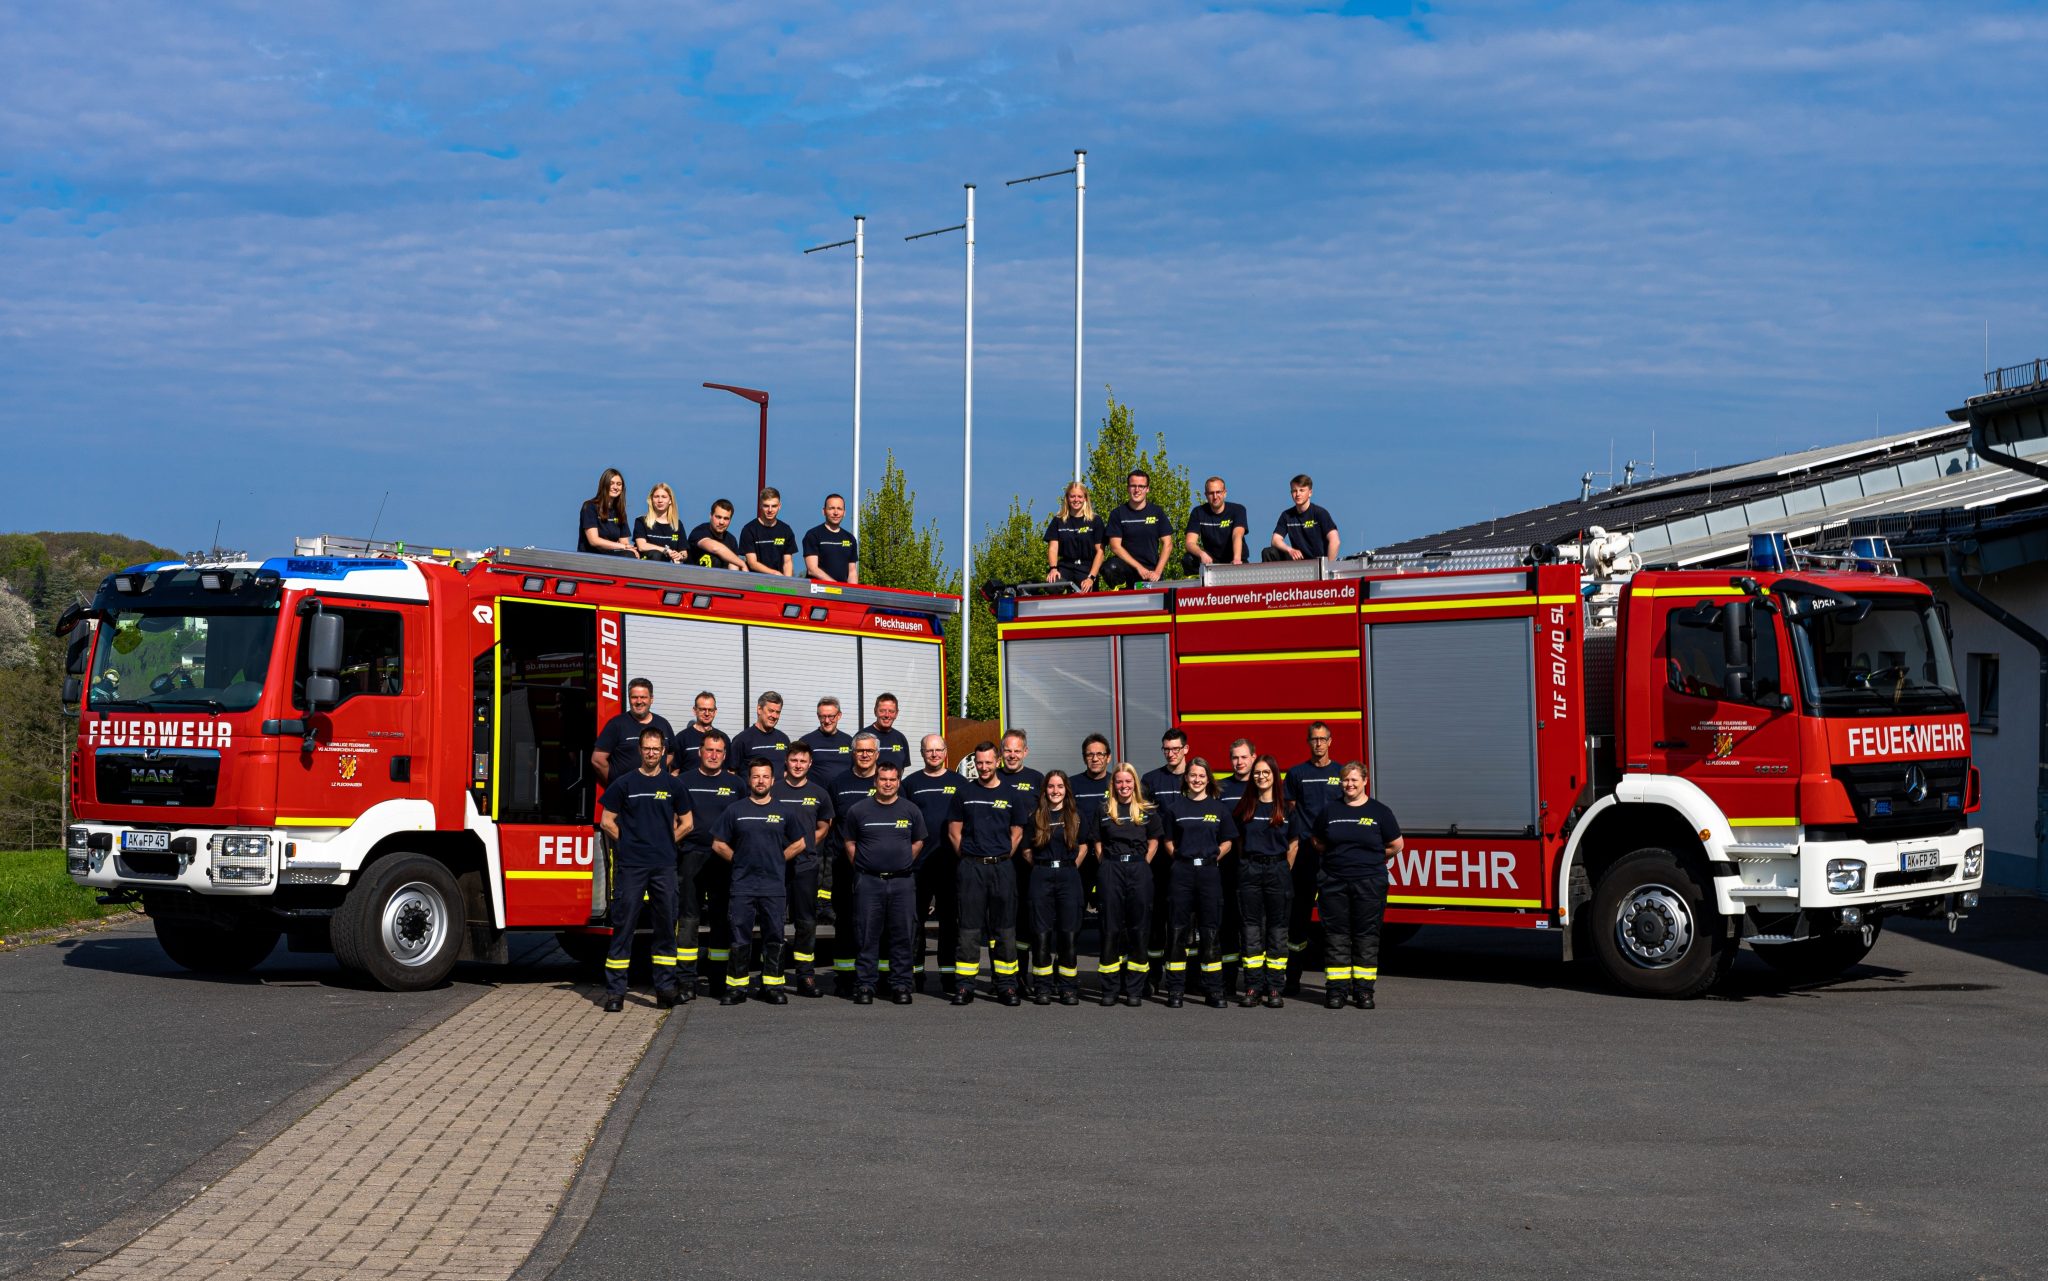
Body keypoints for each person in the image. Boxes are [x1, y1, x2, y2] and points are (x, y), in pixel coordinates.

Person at [596, 727, 687, 1012]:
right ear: (640, 750)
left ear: (663, 752)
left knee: (665, 929)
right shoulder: (624, 784)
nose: (651, 753)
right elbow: (606, 821)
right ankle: (615, 993)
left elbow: (688, 823)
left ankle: (665, 989)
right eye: (646, 748)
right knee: (624, 928)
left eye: (655, 749)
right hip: (631, 867)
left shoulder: (674, 785)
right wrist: (629, 843)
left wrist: (663, 841)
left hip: (663, 867)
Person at [711, 757, 805, 1004]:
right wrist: (738, 860)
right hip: (742, 886)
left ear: (773, 780)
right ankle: (737, 988)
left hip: (773, 886)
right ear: (749, 779)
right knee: (739, 937)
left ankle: (772, 987)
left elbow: (800, 843)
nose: (760, 781)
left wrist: (777, 858)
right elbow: (718, 843)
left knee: (774, 936)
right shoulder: (735, 810)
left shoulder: (784, 810)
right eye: (756, 776)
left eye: (765, 776)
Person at [1312, 763, 1401, 1011]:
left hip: (1369, 882)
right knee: (1336, 937)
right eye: (1345, 780)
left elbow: (1396, 844)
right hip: (1334, 882)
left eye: (1354, 780)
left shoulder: (1379, 812)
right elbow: (1317, 841)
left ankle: (1363, 991)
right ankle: (1336, 991)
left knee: (1366, 936)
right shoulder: (1330, 811)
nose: (1349, 785)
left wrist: (1370, 857)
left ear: (1365, 781)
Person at [844, 761, 928, 1004]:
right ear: (875, 781)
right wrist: (863, 865)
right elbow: (850, 842)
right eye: (883, 779)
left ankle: (901, 985)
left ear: (898, 782)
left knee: (902, 935)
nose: (888, 784)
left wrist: (901, 862)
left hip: (902, 883)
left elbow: (919, 841)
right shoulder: (859, 810)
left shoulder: (910, 810)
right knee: (866, 935)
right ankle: (865, 986)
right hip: (869, 882)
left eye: (892, 779)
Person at [946, 742, 1024, 1006]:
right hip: (971, 869)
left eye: (988, 762)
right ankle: (965, 986)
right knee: (968, 931)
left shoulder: (1011, 794)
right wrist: (970, 857)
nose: (983, 767)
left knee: (1004, 930)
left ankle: (1006, 986)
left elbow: (1017, 832)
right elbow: (954, 831)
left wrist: (1001, 855)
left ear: (998, 761)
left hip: (1002, 868)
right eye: (979, 763)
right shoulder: (964, 793)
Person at [1161, 757, 1235, 1008]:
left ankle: (1214, 990)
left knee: (1210, 933)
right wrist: (1180, 858)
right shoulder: (1174, 808)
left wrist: (1215, 855)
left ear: (1208, 779)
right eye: (1192, 775)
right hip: (1181, 873)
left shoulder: (1219, 809)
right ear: (1186, 779)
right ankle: (1175, 990)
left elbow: (1228, 840)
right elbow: (1168, 841)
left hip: (1209, 874)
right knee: (1178, 931)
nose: (1197, 780)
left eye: (1202, 776)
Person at [1091, 761, 1162, 1007]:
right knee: (1110, 928)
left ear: (1135, 783)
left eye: (1128, 781)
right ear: (1113, 784)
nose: (1124, 785)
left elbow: (1154, 840)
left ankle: (1135, 987)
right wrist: (1105, 864)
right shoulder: (1103, 810)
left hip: (1138, 870)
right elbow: (1097, 842)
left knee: (1138, 929)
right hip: (1111, 869)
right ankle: (1110, 988)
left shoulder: (1147, 810)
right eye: (1119, 781)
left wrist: (1144, 862)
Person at [675, 730, 740, 993]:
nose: (713, 755)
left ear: (725, 755)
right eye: (709, 750)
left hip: (723, 859)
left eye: (719, 751)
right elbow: (672, 817)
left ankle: (717, 978)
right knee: (688, 918)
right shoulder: (683, 782)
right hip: (691, 856)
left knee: (720, 919)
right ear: (700, 752)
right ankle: (686, 979)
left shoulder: (737, 785)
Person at [1283, 722, 1345, 992]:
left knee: (1335, 920)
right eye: (1314, 739)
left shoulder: (1340, 773)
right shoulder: (1297, 774)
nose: (1318, 744)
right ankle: (1293, 979)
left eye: (1323, 739)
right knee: (1298, 922)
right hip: (1306, 856)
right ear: (1308, 742)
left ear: (1331, 741)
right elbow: (1292, 811)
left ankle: (1337, 982)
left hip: (1333, 857)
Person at [1232, 754, 1297, 1008]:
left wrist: (1282, 868)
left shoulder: (1288, 809)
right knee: (1250, 930)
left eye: (1266, 772)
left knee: (1277, 931)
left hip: (1277, 870)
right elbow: (1238, 841)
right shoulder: (1245, 807)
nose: (1261, 776)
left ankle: (1274, 988)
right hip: (1250, 869)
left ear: (1275, 775)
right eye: (1257, 773)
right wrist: (1248, 864)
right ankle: (1252, 987)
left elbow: (1294, 844)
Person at [773, 741, 836, 998]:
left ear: (810, 764)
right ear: (786, 762)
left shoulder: (819, 793)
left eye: (803, 761)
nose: (798, 765)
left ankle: (805, 976)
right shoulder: (772, 790)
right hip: (775, 867)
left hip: (807, 865)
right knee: (774, 921)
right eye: (794, 760)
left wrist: (807, 844)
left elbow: (824, 825)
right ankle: (773, 975)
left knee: (805, 922)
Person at [906, 733, 966, 996]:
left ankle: (949, 975)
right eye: (928, 750)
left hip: (951, 864)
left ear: (945, 752)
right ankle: (915, 974)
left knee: (950, 923)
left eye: (938, 750)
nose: (934, 754)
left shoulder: (959, 782)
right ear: (921, 753)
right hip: (919, 865)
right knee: (915, 921)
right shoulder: (910, 784)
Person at [1024, 770, 1091, 1005]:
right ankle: (1042, 987)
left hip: (1068, 876)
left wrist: (1069, 866)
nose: (1055, 791)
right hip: (1041, 876)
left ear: (1066, 790)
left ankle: (1068, 988)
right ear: (1045, 790)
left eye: (1060, 786)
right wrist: (1045, 867)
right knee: (1041, 936)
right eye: (1051, 787)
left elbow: (1083, 846)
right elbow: (1026, 850)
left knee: (1068, 935)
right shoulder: (1035, 817)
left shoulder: (1076, 816)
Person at [824, 732, 883, 989]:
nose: (865, 755)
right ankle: (846, 976)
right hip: (844, 866)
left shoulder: (888, 782)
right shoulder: (838, 783)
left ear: (877, 754)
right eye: (860, 751)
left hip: (880, 867)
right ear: (853, 753)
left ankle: (879, 976)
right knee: (846, 921)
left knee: (880, 922)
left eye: (869, 751)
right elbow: (829, 824)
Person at [1141, 727, 1190, 987]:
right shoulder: (1151, 780)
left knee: (1186, 922)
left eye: (1175, 749)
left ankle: (1187, 978)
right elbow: (1145, 820)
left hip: (1189, 860)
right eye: (1166, 749)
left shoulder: (1196, 776)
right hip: (1160, 861)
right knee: (1157, 919)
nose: (1171, 753)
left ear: (1186, 750)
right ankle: (1153, 976)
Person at [997, 729, 1044, 976]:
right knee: (1000, 919)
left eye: (1017, 750)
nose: (1012, 755)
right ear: (1001, 752)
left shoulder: (1037, 779)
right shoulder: (991, 778)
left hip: (1028, 860)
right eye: (1008, 750)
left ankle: (1025, 976)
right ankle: (1002, 976)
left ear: (1025, 751)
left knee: (1027, 919)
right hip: (999, 861)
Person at [1216, 737, 1257, 990]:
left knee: (1254, 925)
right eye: (1235, 757)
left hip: (1255, 867)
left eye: (1243, 756)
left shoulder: (1263, 785)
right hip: (1229, 868)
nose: (1239, 762)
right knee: (1228, 923)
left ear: (1254, 757)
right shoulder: (1222, 789)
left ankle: (1256, 981)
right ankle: (1229, 979)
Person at [591, 677, 675, 785]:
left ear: (651, 699)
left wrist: (657, 768)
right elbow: (598, 760)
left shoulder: (663, 724)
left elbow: (670, 753)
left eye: (643, 697)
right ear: (629, 698)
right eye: (634, 697)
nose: (639, 701)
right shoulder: (616, 724)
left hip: (656, 790)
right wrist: (616, 785)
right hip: (626, 795)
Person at [1102, 469, 1173, 589]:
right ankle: (1122, 595)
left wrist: (1158, 572)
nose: (1137, 490)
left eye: (1141, 486)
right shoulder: (1117, 514)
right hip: (1128, 570)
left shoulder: (1157, 512)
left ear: (1147, 489)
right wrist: (1139, 568)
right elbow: (1115, 546)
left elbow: (1168, 544)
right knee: (1109, 567)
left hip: (1151, 572)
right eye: (1133, 486)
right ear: (1127, 488)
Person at [1043, 481, 1107, 592]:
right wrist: (1053, 569)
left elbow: (1100, 552)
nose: (1076, 500)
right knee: (1052, 586)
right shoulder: (1058, 520)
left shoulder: (1095, 520)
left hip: (1086, 568)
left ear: (1085, 498)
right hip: (1065, 566)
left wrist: (1091, 577)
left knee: (1086, 595)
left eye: (1079, 496)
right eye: (1072, 496)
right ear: (1067, 498)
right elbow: (1053, 548)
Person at [1183, 475, 1248, 575]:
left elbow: (1237, 535)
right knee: (1188, 558)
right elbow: (1189, 543)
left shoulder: (1238, 510)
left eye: (1218, 492)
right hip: (1211, 562)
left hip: (1235, 560)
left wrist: (1236, 559)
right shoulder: (1198, 512)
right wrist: (1202, 554)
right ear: (1206, 495)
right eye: (1211, 493)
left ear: (1225, 493)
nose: (1215, 496)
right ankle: (1197, 587)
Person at [1269, 473, 1340, 562]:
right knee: (1269, 552)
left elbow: (1335, 540)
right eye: (1294, 491)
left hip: (1318, 563)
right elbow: (1275, 540)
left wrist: (1328, 568)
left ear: (1310, 493)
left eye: (1302, 490)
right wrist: (1290, 550)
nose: (1297, 494)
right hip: (1298, 562)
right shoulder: (1287, 515)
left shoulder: (1320, 513)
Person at [802, 494, 860, 584]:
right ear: (824, 511)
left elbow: (852, 572)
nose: (836, 512)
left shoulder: (850, 539)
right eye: (831, 508)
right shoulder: (813, 535)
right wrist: (836, 586)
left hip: (841, 594)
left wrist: (851, 593)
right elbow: (812, 569)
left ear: (844, 512)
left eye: (839, 508)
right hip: (818, 593)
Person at [578, 468, 636, 557]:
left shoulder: (620, 511)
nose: (615, 487)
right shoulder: (590, 507)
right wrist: (623, 546)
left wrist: (629, 549)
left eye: (619, 484)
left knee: (631, 554)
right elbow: (594, 541)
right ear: (604, 485)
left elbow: (624, 541)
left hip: (612, 556)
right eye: (611, 483)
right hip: (591, 557)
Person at [739, 487, 797, 576]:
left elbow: (788, 562)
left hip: (780, 583)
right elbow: (752, 563)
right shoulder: (749, 529)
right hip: (756, 583)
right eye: (766, 506)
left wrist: (787, 583)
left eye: (774, 506)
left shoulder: (786, 530)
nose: (770, 510)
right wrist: (774, 573)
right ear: (760, 505)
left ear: (779, 506)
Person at [799, 696, 855, 786]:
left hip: (842, 794)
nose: (827, 721)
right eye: (823, 717)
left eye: (831, 716)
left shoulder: (848, 741)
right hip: (816, 796)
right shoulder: (806, 741)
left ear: (839, 715)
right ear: (818, 716)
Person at [730, 690, 790, 765]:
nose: (774, 716)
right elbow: (732, 772)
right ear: (759, 709)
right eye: (771, 711)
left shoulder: (784, 739)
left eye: (778, 712)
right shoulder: (742, 740)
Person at [635, 483, 689, 562]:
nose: (660, 500)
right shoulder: (642, 521)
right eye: (656, 497)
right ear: (651, 500)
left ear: (670, 500)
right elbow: (641, 546)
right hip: (646, 568)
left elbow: (684, 551)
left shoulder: (677, 524)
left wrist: (680, 555)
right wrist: (666, 550)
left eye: (664, 497)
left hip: (667, 569)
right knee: (656, 554)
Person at [689, 499, 747, 571]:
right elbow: (715, 548)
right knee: (715, 560)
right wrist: (742, 563)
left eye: (726, 518)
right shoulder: (699, 531)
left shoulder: (731, 540)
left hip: (723, 580)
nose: (721, 522)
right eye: (718, 517)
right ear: (711, 516)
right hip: (695, 579)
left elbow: (733, 564)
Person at [671, 692, 721, 774]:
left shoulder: (722, 739)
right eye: (703, 709)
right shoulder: (682, 738)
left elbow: (728, 772)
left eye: (710, 710)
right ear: (695, 710)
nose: (707, 713)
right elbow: (675, 772)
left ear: (715, 712)